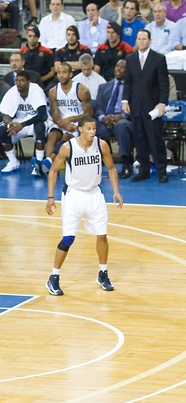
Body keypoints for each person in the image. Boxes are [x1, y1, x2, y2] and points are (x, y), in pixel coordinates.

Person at [45, 116, 123, 296]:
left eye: (94, 128)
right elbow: (54, 170)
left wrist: (116, 191)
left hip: (94, 193)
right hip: (74, 194)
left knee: (102, 235)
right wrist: (50, 197)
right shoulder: (68, 147)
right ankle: (53, 277)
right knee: (68, 239)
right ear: (80, 129)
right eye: (89, 129)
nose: (92, 132)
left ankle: (103, 274)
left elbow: (111, 168)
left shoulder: (101, 145)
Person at [122, 29, 170, 182]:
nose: (141, 41)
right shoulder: (130, 58)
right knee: (139, 139)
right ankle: (144, 170)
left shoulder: (159, 59)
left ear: (149, 40)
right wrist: (125, 101)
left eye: (144, 39)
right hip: (136, 106)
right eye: (139, 39)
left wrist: (162, 103)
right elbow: (128, 82)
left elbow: (164, 84)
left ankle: (162, 170)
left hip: (153, 107)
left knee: (156, 139)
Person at [43, 63, 94, 174]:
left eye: (64, 72)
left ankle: (48, 162)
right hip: (61, 123)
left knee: (66, 137)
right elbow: (55, 115)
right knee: (52, 135)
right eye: (59, 73)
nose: (61, 75)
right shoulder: (53, 91)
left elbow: (90, 113)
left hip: (78, 124)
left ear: (71, 74)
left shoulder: (81, 90)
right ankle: (48, 166)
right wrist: (65, 124)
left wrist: (71, 119)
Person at [0, 70, 52, 173]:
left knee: (39, 127)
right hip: (19, 123)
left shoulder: (36, 90)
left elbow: (42, 115)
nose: (19, 83)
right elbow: (5, 115)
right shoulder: (13, 91)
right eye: (17, 81)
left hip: (35, 122)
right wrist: (10, 125)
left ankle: (38, 163)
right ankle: (13, 161)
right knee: (2, 130)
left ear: (28, 82)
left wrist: (22, 125)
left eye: (22, 81)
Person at [93, 59, 134, 178]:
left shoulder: (133, 88)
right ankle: (92, 163)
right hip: (106, 120)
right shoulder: (103, 87)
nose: (118, 69)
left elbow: (136, 108)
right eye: (117, 67)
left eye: (122, 68)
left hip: (124, 119)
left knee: (121, 127)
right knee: (91, 127)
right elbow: (99, 107)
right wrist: (103, 118)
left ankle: (126, 163)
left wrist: (121, 116)